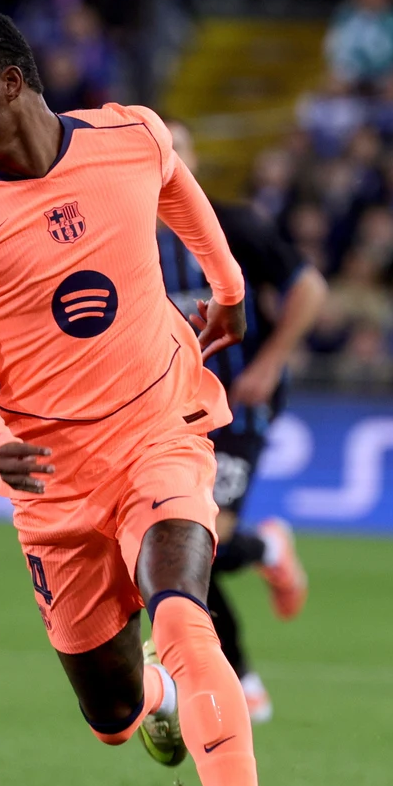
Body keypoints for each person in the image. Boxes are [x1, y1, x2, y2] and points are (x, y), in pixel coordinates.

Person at [0, 12, 285, 786]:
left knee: (183, 609)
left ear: (11, 83)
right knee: (110, 709)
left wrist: (229, 293)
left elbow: (183, 199)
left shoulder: (130, 136)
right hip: (52, 484)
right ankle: (156, 701)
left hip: (160, 431)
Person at [156, 120, 326, 723]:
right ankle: (245, 681)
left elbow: (309, 290)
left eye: (180, 148)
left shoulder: (235, 226)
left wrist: (271, 360)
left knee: (207, 538)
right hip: (169, 413)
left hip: (240, 404)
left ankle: (263, 546)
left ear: (193, 161)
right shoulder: (123, 239)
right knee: (175, 549)